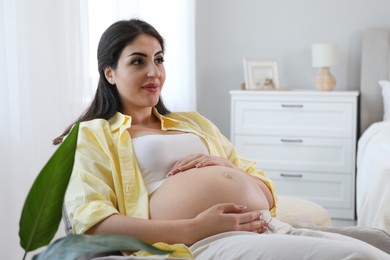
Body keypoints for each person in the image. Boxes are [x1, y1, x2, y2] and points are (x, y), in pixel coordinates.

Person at [58, 19, 389, 259]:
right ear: (109, 73)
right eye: (138, 61)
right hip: (197, 244)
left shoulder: (193, 122)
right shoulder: (93, 134)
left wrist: (225, 165)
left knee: (377, 251)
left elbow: (263, 187)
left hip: (265, 226)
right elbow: (93, 224)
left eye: (159, 59)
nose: (154, 72)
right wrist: (194, 227)